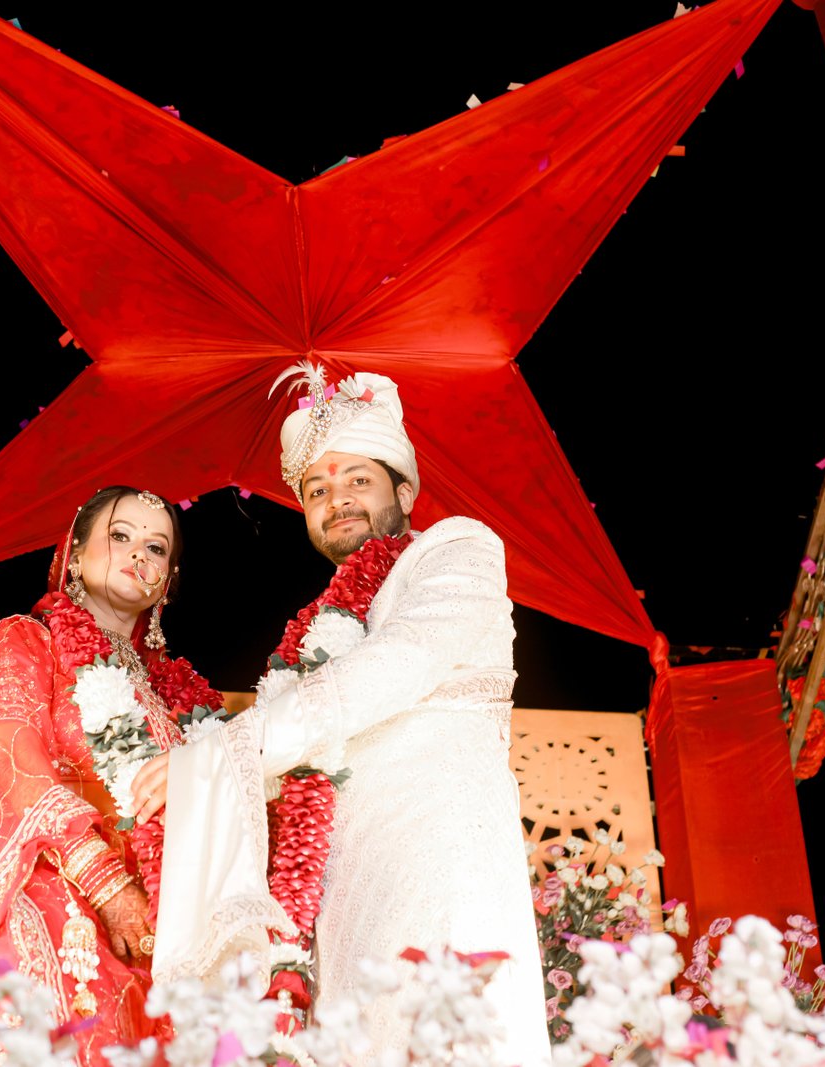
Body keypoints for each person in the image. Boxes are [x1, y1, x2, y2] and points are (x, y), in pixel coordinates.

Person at [135, 366, 552, 1066]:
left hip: (440, 864)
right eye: (318, 490)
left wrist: (226, 752)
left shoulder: (456, 549)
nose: (338, 500)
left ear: (404, 491)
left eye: (359, 478)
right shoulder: (317, 634)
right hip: (344, 898)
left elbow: (398, 663)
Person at [0, 486, 221, 1064]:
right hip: (54, 890)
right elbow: (13, 762)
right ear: (74, 556)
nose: (139, 554)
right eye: (120, 536)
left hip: (158, 917)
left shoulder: (175, 697)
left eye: (157, 548)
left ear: (168, 580)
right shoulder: (26, 641)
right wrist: (105, 881)